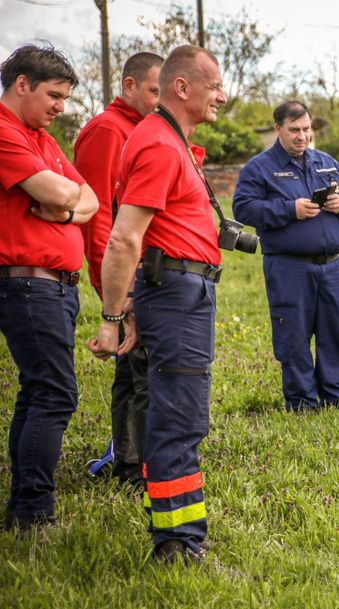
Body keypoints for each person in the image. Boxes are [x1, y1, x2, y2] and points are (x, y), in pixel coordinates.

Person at [87, 45, 228, 563]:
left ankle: (182, 532)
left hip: (178, 293)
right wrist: (111, 315)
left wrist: (129, 307)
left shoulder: (167, 140)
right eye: (213, 86)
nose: (222, 95)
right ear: (182, 88)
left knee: (180, 416)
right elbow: (125, 239)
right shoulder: (160, 146)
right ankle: (176, 542)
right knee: (178, 418)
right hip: (178, 296)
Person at [0, 45, 98, 532]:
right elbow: (66, 192)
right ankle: (34, 511)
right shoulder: (5, 131)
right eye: (54, 95)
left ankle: (23, 507)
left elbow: (91, 201)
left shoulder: (40, 137)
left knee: (37, 392)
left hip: (55, 287)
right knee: (55, 395)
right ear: (22, 84)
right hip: (28, 285)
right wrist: (65, 201)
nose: (61, 106)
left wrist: (61, 209)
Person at [233, 100, 339, 410]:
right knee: (293, 335)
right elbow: (244, 207)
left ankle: (337, 398)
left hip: (331, 267)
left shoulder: (326, 162)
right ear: (278, 129)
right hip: (288, 267)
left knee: (335, 334)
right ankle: (302, 401)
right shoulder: (259, 168)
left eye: (306, 130)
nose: (302, 136)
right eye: (294, 130)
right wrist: (290, 209)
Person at [73, 51, 163, 483]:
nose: (160, 99)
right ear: (128, 87)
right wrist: (117, 293)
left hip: (146, 270)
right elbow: (98, 218)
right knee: (142, 371)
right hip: (129, 276)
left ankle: (128, 460)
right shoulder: (108, 130)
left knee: (135, 367)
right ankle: (139, 464)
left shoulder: (146, 128)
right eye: (153, 90)